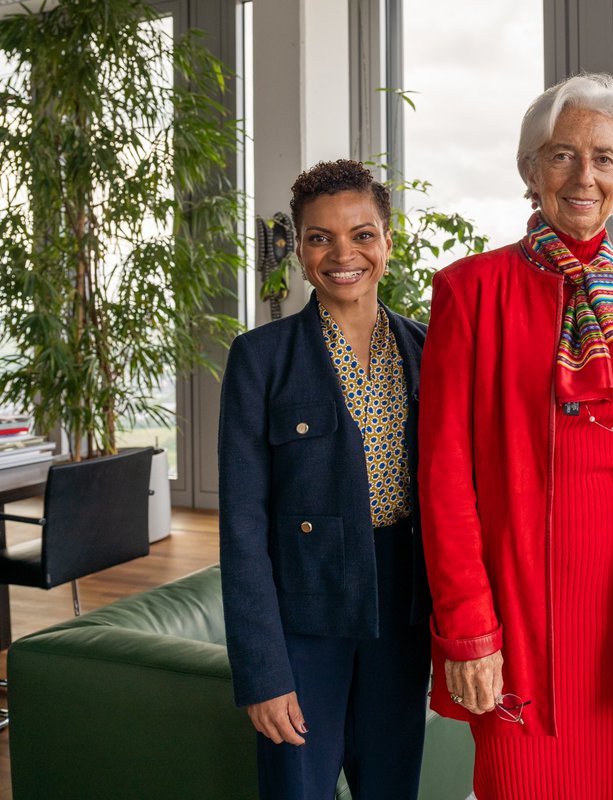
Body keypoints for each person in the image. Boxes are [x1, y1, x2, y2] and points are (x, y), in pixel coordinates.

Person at [418, 72, 613, 800]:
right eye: (562, 154)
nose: (585, 175)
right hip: (517, 616)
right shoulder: (470, 290)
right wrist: (468, 631)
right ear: (529, 172)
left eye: (604, 157)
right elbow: (444, 475)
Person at [218, 160, 431, 799]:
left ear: (388, 244)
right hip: (303, 610)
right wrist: (263, 672)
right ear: (300, 248)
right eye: (320, 238)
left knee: (391, 786)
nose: (343, 254)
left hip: (404, 606)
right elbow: (243, 525)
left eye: (362, 235)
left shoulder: (431, 348)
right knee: (296, 789)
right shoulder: (260, 359)